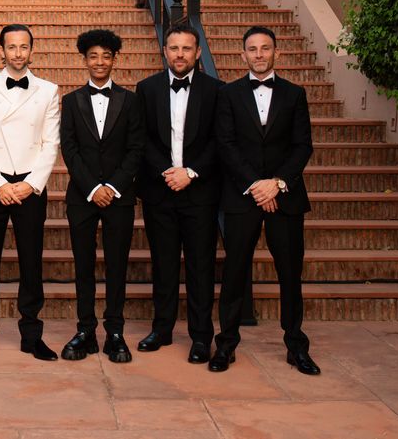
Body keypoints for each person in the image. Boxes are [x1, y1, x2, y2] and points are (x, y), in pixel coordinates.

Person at [210, 25, 319, 375]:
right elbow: (225, 145)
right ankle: (225, 344)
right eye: (252, 49)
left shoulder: (294, 94)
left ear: (276, 53)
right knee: (235, 272)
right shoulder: (227, 95)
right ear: (243, 55)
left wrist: (277, 184)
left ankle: (296, 345)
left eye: (265, 48)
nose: (259, 54)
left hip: (285, 198)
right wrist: (257, 185)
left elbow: (303, 145)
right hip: (243, 197)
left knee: (290, 273)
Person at [0, 24, 61, 361]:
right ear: (0, 50)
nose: (18, 53)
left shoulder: (48, 90)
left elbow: (51, 143)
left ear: (32, 50)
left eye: (23, 47)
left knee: (31, 263)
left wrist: (31, 184)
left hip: (30, 187)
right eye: (11, 47)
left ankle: (32, 335)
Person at [136, 24, 223, 364]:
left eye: (187, 49)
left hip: (199, 192)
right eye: (174, 48)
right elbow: (141, 138)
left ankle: (202, 337)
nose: (180, 54)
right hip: (160, 191)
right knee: (164, 264)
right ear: (165, 51)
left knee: (201, 268)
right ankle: (162, 328)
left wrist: (191, 172)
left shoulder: (216, 90)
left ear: (198, 53)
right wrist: (167, 172)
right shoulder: (147, 89)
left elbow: (220, 140)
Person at [59, 29, 144, 363]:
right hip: (82, 196)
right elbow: (69, 147)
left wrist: (113, 186)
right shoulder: (71, 101)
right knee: (83, 266)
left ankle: (115, 331)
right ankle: (85, 330)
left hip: (119, 196)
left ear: (114, 60)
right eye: (93, 56)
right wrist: (93, 188)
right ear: (85, 60)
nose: (99, 62)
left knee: (117, 265)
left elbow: (137, 148)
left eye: (106, 56)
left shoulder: (131, 100)